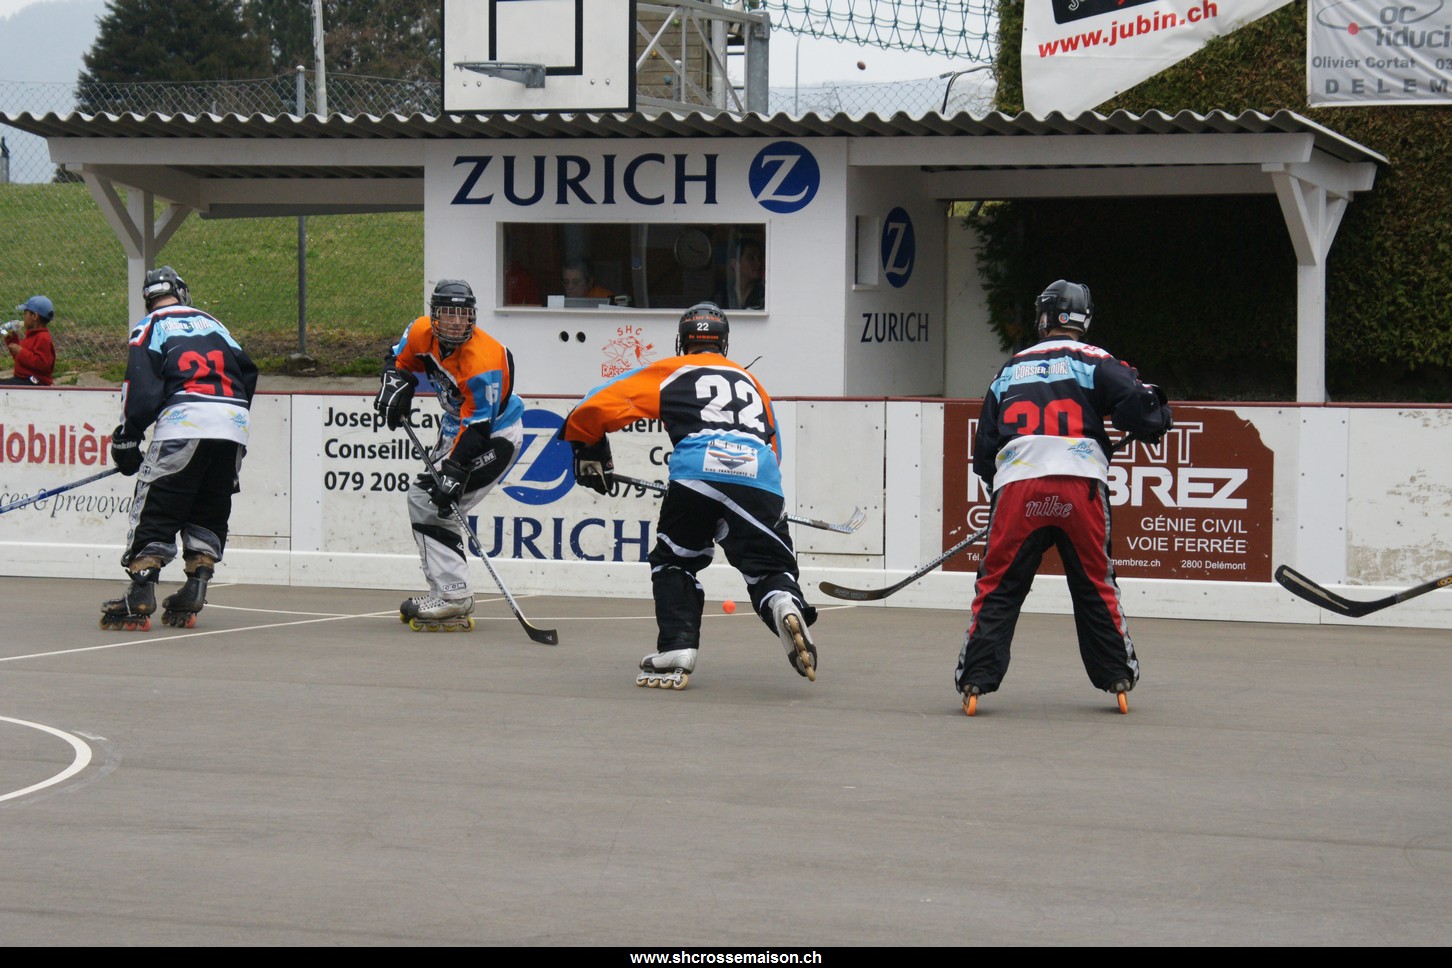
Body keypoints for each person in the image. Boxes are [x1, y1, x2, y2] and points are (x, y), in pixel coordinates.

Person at [558, 301, 818, 689]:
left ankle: (677, 647)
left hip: (696, 474)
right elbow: (773, 448)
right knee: (769, 568)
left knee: (675, 561)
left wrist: (587, 446)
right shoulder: (752, 383)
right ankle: (783, 602)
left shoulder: (673, 371)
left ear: (682, 342)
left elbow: (595, 405)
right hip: (758, 476)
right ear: (724, 344)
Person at [955, 280, 1173, 716]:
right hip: (1081, 487)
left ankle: (975, 678)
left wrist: (1002, 496)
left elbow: (984, 453)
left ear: (1046, 317)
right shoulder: (1096, 360)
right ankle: (1117, 674)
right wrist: (1157, 417)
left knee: (998, 586)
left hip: (1018, 489)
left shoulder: (1009, 368)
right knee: (1095, 583)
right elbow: (1143, 407)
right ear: (1082, 319)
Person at [101, 267, 259, 631]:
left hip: (185, 420)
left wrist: (128, 435)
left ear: (149, 300)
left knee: (159, 501)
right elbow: (248, 372)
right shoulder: (214, 324)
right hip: (233, 423)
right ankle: (196, 585)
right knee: (209, 502)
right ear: (182, 293)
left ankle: (141, 592)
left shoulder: (150, 326)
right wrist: (229, 417)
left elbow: (140, 385)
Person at [373, 278, 525, 631]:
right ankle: (447, 592)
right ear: (434, 315)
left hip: (494, 437)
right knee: (431, 502)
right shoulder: (420, 331)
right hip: (455, 427)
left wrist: (455, 471)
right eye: (448, 314)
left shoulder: (484, 361)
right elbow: (398, 361)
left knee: (432, 502)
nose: (456, 322)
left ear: (473, 317)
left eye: (463, 314)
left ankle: (453, 595)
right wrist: (396, 388)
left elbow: (479, 429)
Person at [1, 294, 57, 386]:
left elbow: (42, 364)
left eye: (25, 313)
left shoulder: (43, 338)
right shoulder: (31, 336)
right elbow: (22, 360)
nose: (24, 317)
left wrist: (20, 351)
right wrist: (12, 341)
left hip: (35, 381)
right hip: (22, 379)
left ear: (34, 316)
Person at [714, 237, 764, 311]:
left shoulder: (764, 296)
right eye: (751, 258)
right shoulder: (721, 297)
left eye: (759, 258)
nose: (758, 263)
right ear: (735, 264)